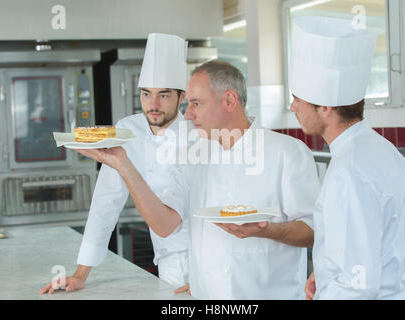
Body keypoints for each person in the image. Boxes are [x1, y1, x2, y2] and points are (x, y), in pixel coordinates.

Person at [63, 59, 321, 299]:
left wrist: (268, 230)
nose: (187, 115)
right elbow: (164, 225)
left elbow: (313, 231)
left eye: (196, 104)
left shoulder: (287, 151)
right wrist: (123, 164)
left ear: (229, 100)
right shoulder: (193, 156)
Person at [39, 33, 191, 294]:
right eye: (146, 94)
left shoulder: (199, 133)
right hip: (170, 262)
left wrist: (212, 269)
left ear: (182, 96)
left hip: (211, 259)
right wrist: (80, 274)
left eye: (163, 96)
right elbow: (105, 202)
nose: (152, 105)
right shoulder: (127, 129)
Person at [287, 16, 405, 299]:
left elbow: (355, 286)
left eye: (297, 99)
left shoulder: (348, 170)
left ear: (325, 106)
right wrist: (325, 271)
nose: (292, 107)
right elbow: (368, 249)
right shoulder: (380, 149)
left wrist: (335, 282)